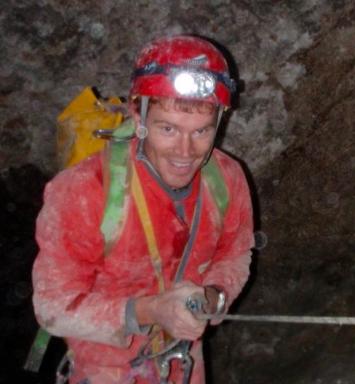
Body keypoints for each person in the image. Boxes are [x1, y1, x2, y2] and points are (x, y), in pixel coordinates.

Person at [32, 35, 254, 384]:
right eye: (168, 129)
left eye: (201, 131)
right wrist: (149, 310)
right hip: (107, 370)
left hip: (184, 364)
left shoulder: (226, 178)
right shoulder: (85, 189)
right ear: (139, 114)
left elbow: (236, 253)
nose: (185, 151)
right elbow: (54, 307)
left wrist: (213, 296)